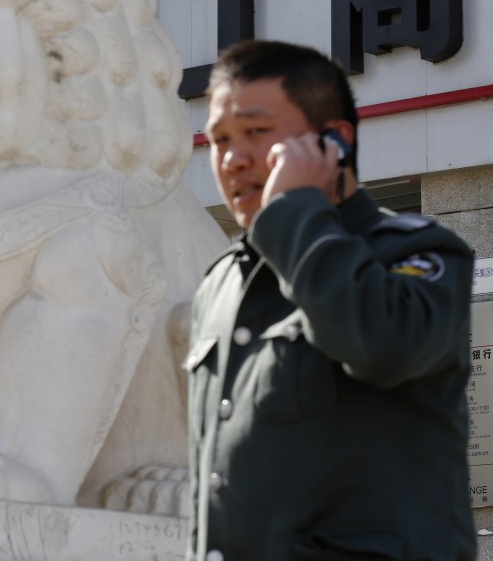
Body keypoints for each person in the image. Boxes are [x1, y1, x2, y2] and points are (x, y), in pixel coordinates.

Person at [185, 40, 475, 560]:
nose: (232, 159)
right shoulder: (222, 281)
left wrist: (296, 210)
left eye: (255, 132)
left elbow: (381, 345)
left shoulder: (417, 251)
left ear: (334, 142)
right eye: (219, 140)